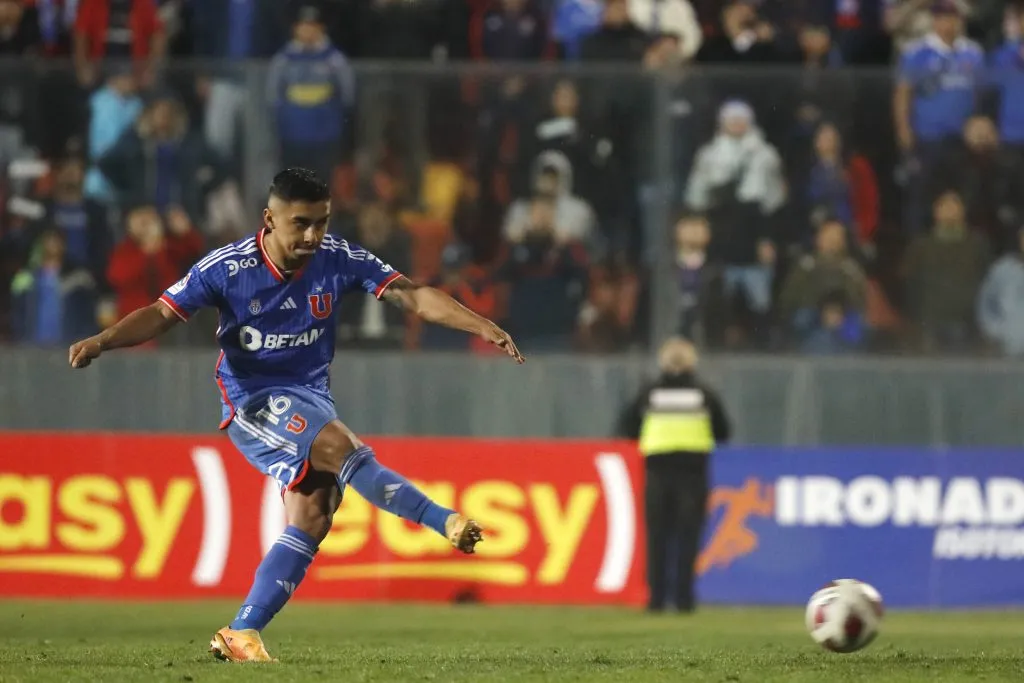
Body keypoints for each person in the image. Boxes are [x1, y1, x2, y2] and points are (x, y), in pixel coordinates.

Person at [67, 168, 525, 662]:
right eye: (300, 223)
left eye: (322, 222)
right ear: (270, 219)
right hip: (253, 398)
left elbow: (410, 294)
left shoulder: (338, 258)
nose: (312, 236)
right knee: (341, 448)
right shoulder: (228, 268)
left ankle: (241, 632)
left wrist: (481, 325)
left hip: (311, 394)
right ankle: (443, 520)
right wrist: (103, 340)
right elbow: (161, 312)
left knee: (314, 514)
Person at [617, 337, 730, 613]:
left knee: (658, 538)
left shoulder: (650, 393)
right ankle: (684, 600)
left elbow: (628, 426)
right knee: (687, 538)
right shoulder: (704, 394)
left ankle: (656, 600)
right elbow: (724, 431)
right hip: (693, 473)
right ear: (692, 362)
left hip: (657, 472)